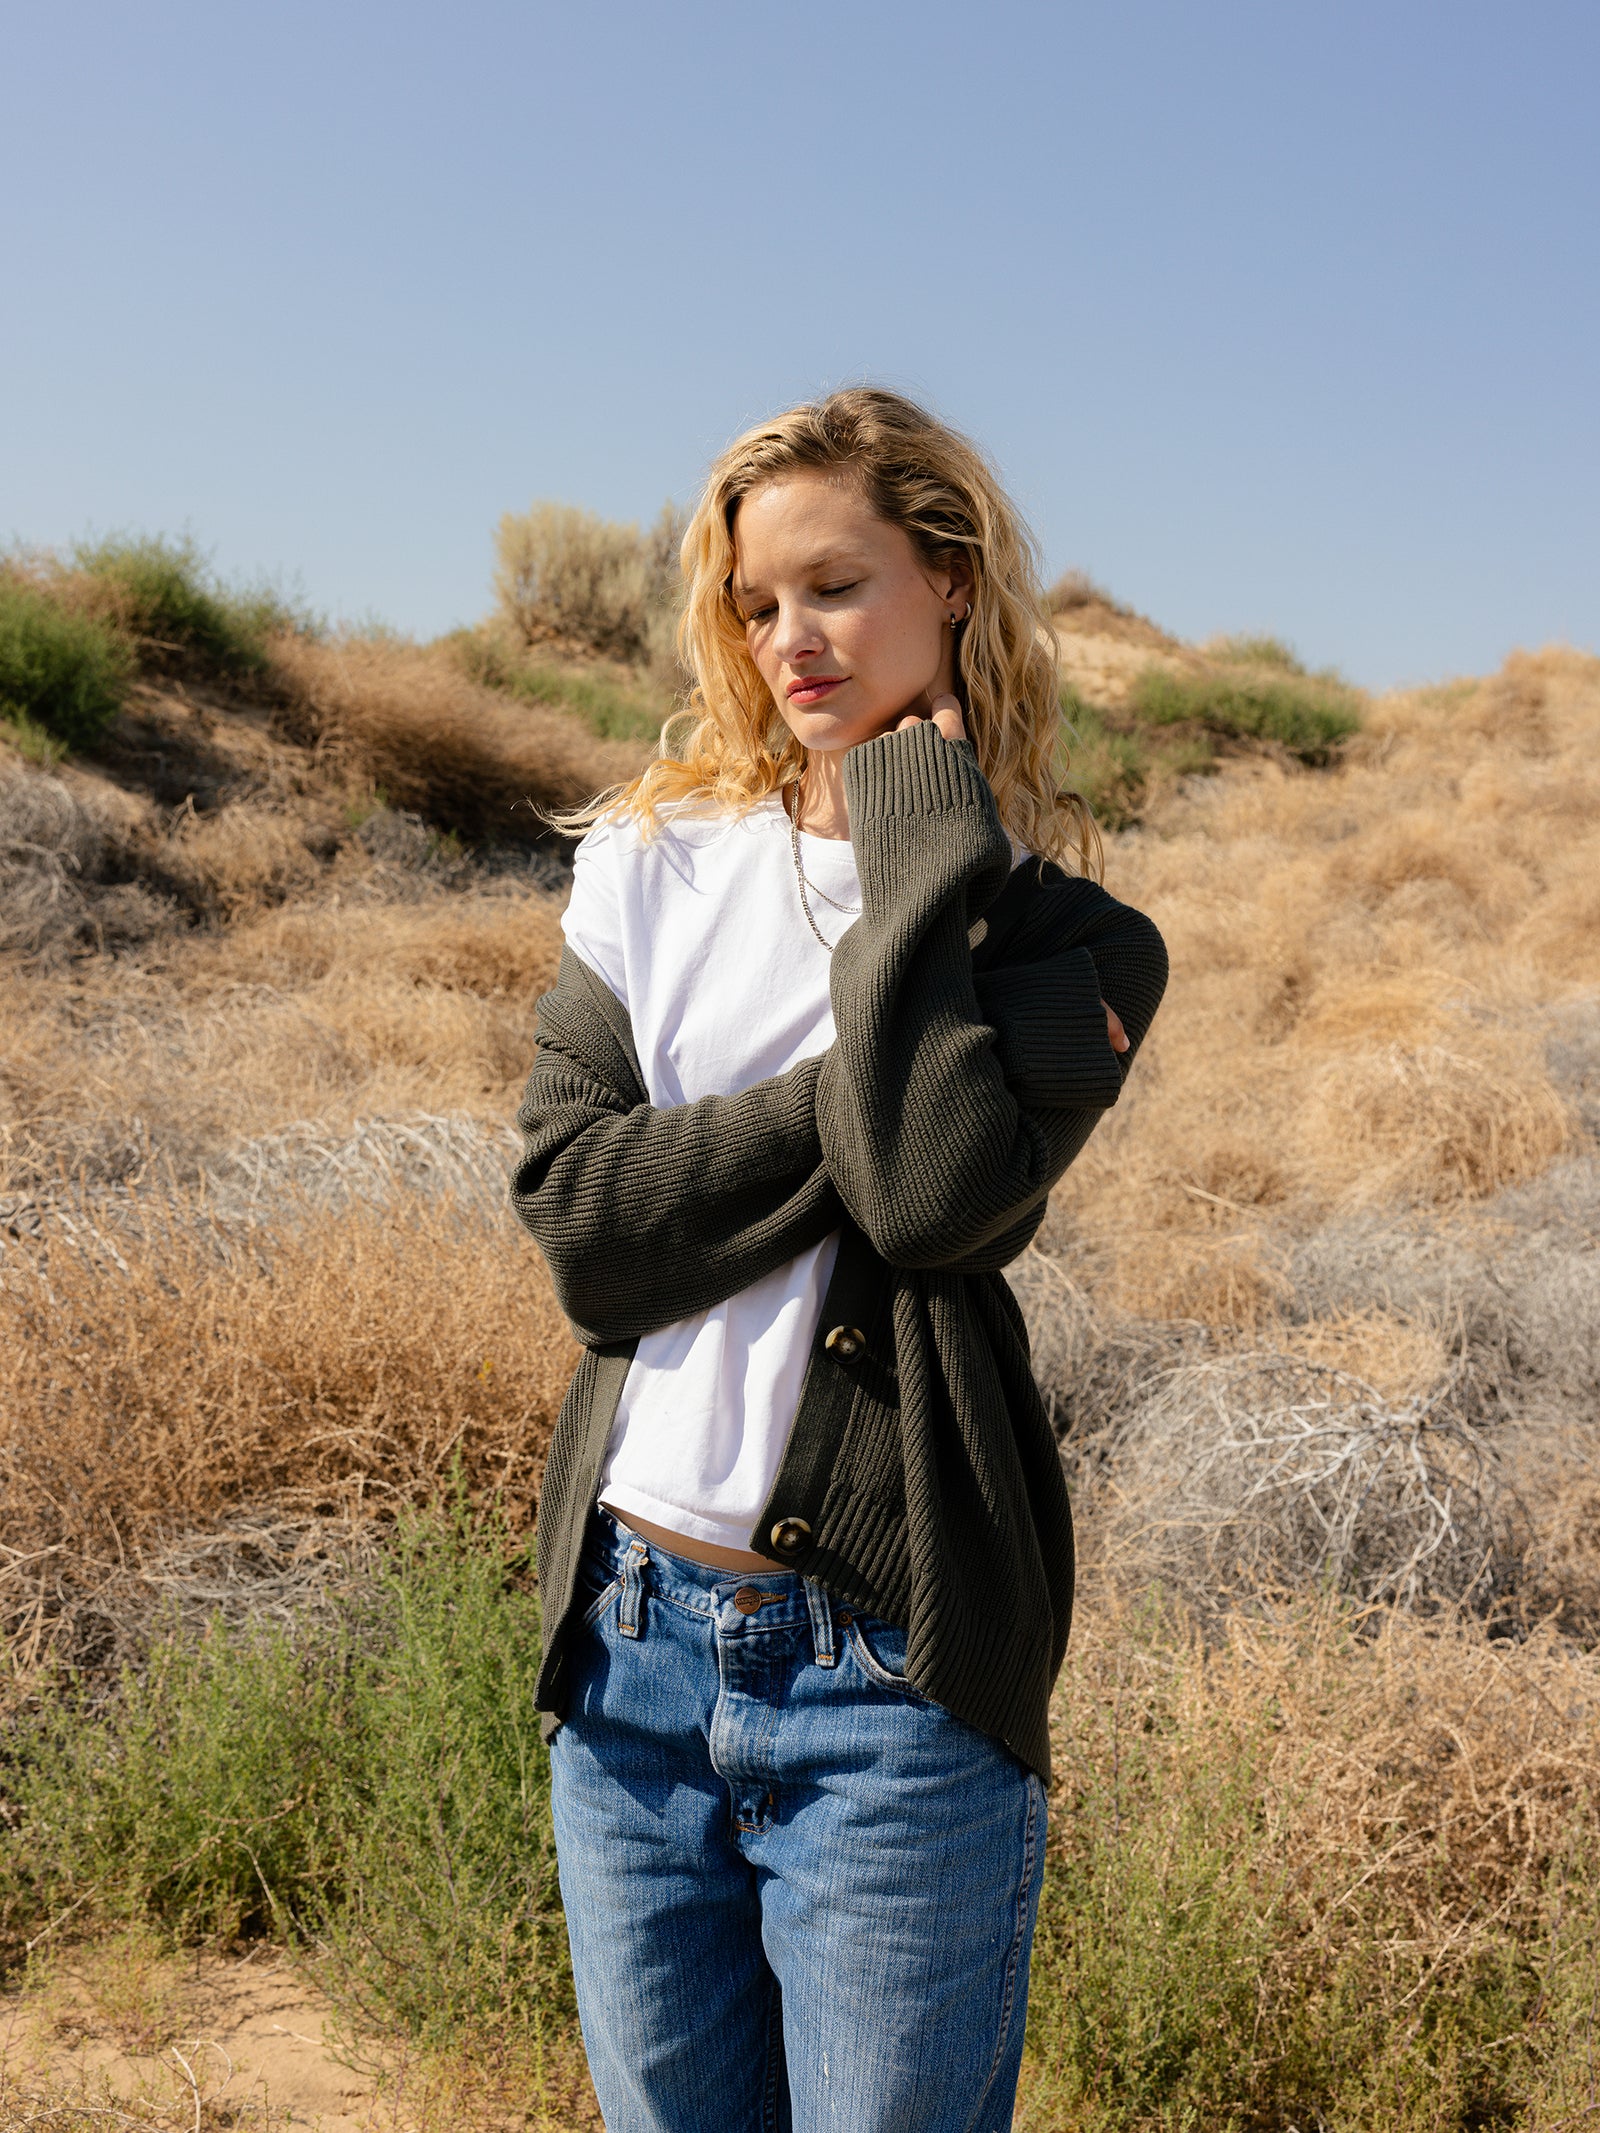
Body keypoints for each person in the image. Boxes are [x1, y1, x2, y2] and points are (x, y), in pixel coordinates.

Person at [510, 386, 1168, 2133]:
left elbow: (934, 1199)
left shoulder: (1067, 934)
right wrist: (856, 1073)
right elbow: (584, 1226)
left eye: (836, 585)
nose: (788, 638)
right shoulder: (647, 868)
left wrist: (917, 869)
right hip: (630, 1651)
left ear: (949, 579)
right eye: (754, 602)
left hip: (891, 1675)